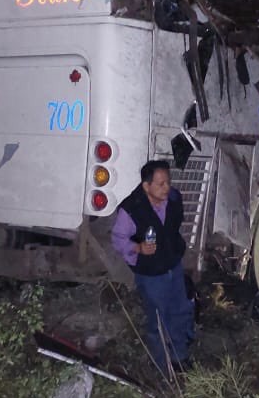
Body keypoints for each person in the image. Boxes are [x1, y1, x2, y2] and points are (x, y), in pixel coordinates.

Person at [110, 160, 194, 377]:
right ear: (146, 186)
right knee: (157, 321)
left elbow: (174, 228)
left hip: (172, 266)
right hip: (150, 274)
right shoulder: (132, 208)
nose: (167, 188)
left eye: (168, 182)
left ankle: (179, 358)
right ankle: (162, 369)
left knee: (179, 312)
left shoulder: (174, 199)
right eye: (160, 184)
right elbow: (118, 240)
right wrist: (137, 247)